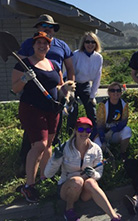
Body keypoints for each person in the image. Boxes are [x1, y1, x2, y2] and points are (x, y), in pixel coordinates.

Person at [18, 14, 75, 175]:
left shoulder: (62, 45)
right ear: (37, 28)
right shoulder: (29, 44)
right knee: (33, 136)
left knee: (51, 136)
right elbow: (20, 66)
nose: (47, 28)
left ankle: (47, 170)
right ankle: (26, 169)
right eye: (43, 25)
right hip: (34, 98)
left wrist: (69, 88)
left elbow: (69, 68)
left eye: (50, 26)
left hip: (55, 96)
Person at [12, 31, 63, 203]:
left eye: (45, 43)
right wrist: (25, 79)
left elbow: (61, 86)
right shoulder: (24, 65)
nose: (42, 46)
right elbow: (15, 89)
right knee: (39, 144)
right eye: (38, 43)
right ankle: (29, 186)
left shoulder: (54, 64)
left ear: (49, 46)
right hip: (32, 108)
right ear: (33, 46)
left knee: (48, 145)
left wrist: (67, 95)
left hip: (52, 109)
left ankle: (44, 177)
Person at [44, 117, 121, 221]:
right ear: (75, 130)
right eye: (81, 129)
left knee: (92, 183)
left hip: (84, 190)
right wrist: (55, 159)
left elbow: (99, 173)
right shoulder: (65, 147)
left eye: (88, 130)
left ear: (91, 132)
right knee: (77, 181)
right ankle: (69, 211)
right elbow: (48, 174)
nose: (84, 133)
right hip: (67, 188)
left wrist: (93, 173)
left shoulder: (96, 149)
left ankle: (114, 216)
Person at [67, 32, 103, 137]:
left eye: (93, 42)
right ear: (83, 43)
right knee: (73, 110)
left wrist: (92, 96)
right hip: (73, 83)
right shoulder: (76, 54)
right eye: (87, 42)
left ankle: (95, 135)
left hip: (86, 85)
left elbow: (97, 77)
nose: (90, 44)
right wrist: (70, 92)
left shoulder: (98, 57)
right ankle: (70, 136)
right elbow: (70, 71)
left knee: (91, 110)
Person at [94, 82, 132, 160]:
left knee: (127, 130)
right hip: (103, 133)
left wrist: (112, 130)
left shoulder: (124, 104)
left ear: (121, 93)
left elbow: (124, 122)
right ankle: (104, 158)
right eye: (112, 90)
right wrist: (103, 140)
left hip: (114, 133)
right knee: (97, 146)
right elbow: (100, 125)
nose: (115, 92)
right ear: (108, 93)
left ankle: (122, 154)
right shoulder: (102, 105)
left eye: (118, 90)